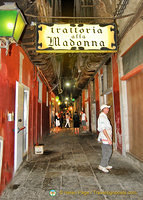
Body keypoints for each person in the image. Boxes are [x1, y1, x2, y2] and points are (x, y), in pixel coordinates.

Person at [97, 104, 113, 173]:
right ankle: (102, 165)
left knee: (105, 151)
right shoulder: (102, 117)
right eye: (106, 108)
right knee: (108, 151)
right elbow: (103, 129)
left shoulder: (104, 116)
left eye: (108, 108)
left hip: (106, 136)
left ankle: (105, 164)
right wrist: (108, 138)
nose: (108, 109)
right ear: (103, 109)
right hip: (105, 137)